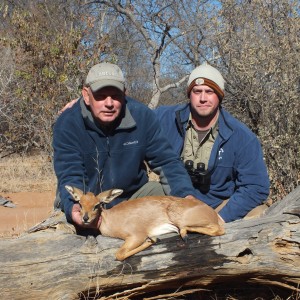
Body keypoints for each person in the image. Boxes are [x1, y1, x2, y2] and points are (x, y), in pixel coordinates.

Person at [52, 62, 206, 228]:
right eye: (101, 96)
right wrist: (74, 208)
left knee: (170, 199)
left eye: (115, 96)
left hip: (130, 198)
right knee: (66, 223)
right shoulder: (68, 122)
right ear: (86, 95)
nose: (109, 103)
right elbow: (70, 172)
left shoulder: (142, 116)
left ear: (125, 94)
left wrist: (185, 196)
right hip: (87, 202)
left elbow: (166, 161)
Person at [155, 63, 270, 223]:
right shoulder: (164, 118)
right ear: (190, 94)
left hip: (216, 208)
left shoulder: (242, 137)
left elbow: (256, 187)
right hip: (172, 203)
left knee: (259, 213)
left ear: (219, 95)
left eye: (209, 92)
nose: (203, 98)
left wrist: (219, 219)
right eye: (197, 91)